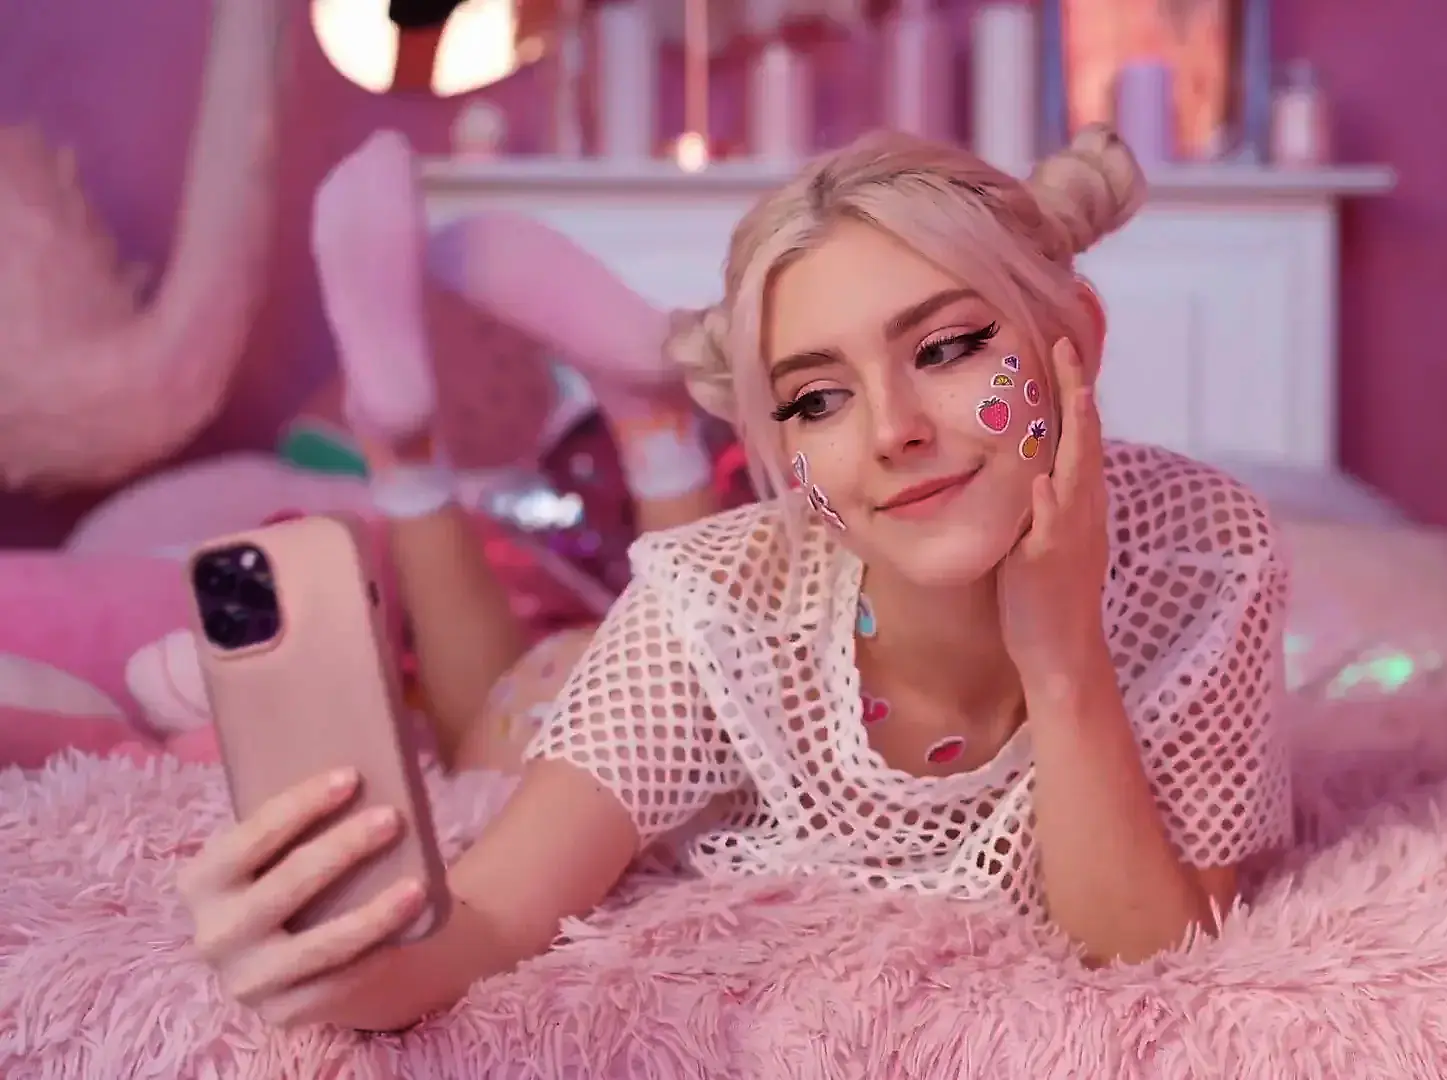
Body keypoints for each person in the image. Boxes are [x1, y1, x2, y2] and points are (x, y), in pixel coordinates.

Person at [173, 125, 1295, 1032]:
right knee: (489, 723)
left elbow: (1151, 957)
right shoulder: (712, 605)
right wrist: (342, 966)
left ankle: (648, 423)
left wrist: (1061, 657)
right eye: (816, 399)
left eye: (946, 348)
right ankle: (410, 456)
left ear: (1075, 341)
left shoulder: (1205, 554)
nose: (894, 430)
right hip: (574, 684)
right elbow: (491, 918)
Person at [124, 130, 724, 771]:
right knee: (709, 710)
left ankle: (410, 462)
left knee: (493, 744)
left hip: (541, 699)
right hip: (632, 678)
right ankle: (656, 434)